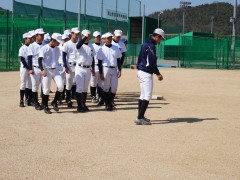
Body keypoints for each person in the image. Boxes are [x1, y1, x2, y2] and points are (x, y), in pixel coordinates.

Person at [135, 28, 165, 125]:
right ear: (157, 36)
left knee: (143, 95)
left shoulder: (145, 43)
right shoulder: (151, 45)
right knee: (147, 95)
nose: (161, 41)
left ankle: (140, 116)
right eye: (161, 39)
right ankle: (139, 118)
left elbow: (140, 57)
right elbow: (152, 62)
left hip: (141, 70)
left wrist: (138, 66)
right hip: (146, 72)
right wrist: (158, 73)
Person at [38, 33, 64, 114]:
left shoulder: (57, 48)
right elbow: (40, 60)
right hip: (47, 70)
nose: (59, 43)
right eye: (58, 41)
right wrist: (42, 69)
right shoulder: (44, 48)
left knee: (61, 87)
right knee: (46, 90)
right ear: (53, 40)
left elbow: (60, 58)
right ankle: (45, 106)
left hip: (55, 70)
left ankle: (54, 101)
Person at [97, 32, 122, 111]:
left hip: (114, 68)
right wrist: (101, 73)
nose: (109, 40)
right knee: (106, 87)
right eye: (108, 38)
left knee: (114, 88)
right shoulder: (101, 49)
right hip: (105, 68)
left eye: (111, 38)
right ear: (105, 39)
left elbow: (118, 60)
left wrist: (120, 70)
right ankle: (108, 104)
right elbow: (99, 62)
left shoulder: (116, 48)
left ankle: (109, 101)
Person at [75, 29, 95, 113]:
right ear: (82, 36)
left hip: (88, 68)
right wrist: (84, 38)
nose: (87, 37)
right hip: (80, 68)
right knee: (79, 88)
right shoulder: (80, 44)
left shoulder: (91, 46)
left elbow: (92, 57)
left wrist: (93, 68)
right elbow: (78, 46)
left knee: (85, 89)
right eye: (86, 36)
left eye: (88, 36)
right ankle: (79, 106)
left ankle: (83, 104)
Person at [28, 28, 46, 110]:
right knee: (35, 86)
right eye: (41, 35)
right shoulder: (32, 46)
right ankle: (35, 102)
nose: (42, 36)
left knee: (44, 85)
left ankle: (43, 103)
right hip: (35, 68)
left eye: (43, 35)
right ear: (36, 36)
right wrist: (30, 68)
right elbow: (29, 58)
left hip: (43, 68)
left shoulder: (45, 45)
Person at [62, 27, 79, 108]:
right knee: (68, 83)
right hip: (70, 65)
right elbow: (64, 55)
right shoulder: (67, 44)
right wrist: (65, 66)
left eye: (78, 34)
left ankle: (76, 98)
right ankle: (68, 100)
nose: (77, 36)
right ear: (72, 34)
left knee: (76, 83)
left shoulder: (78, 44)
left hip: (78, 66)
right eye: (76, 34)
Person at [18, 32, 33, 107]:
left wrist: (31, 68)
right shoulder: (22, 48)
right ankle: (21, 100)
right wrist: (29, 68)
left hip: (30, 68)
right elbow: (22, 60)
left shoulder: (31, 47)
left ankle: (28, 100)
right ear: (25, 39)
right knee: (23, 83)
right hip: (24, 68)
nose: (30, 39)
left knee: (30, 84)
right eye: (29, 38)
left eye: (31, 38)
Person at [90, 31, 102, 104]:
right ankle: (93, 96)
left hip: (101, 66)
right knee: (93, 82)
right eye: (96, 37)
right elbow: (91, 57)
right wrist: (92, 67)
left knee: (100, 83)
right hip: (94, 66)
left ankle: (99, 96)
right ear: (94, 38)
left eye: (99, 37)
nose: (98, 38)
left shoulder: (102, 46)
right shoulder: (92, 46)